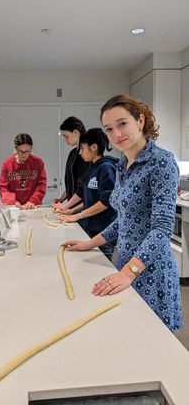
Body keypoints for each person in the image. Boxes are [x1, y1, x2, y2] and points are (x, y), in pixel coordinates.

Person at [62, 94, 182, 332]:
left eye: (122, 124)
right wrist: (90, 243)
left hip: (150, 269)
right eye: (109, 129)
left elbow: (162, 227)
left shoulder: (161, 162)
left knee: (151, 342)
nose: (116, 134)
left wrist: (129, 272)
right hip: (124, 263)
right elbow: (124, 219)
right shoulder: (121, 165)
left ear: (140, 121)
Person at [58, 128, 118, 260]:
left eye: (82, 148)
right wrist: (70, 210)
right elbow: (89, 198)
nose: (79, 153)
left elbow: (105, 202)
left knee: (99, 269)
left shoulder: (106, 168)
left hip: (103, 232)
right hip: (90, 228)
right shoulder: (92, 166)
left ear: (94, 147)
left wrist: (78, 215)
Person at [0, 133, 47, 209]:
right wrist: (13, 202)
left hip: (32, 207)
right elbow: (3, 187)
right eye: (21, 151)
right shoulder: (7, 164)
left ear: (31, 148)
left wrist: (33, 201)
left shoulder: (38, 162)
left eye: (27, 151)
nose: (24, 155)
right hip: (13, 208)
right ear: (15, 148)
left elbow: (41, 185)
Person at [51, 116, 89, 210]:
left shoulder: (88, 155)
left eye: (66, 136)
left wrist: (66, 206)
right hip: (72, 206)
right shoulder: (72, 153)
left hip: (83, 207)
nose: (65, 140)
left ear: (76, 132)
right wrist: (61, 199)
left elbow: (83, 186)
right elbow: (71, 182)